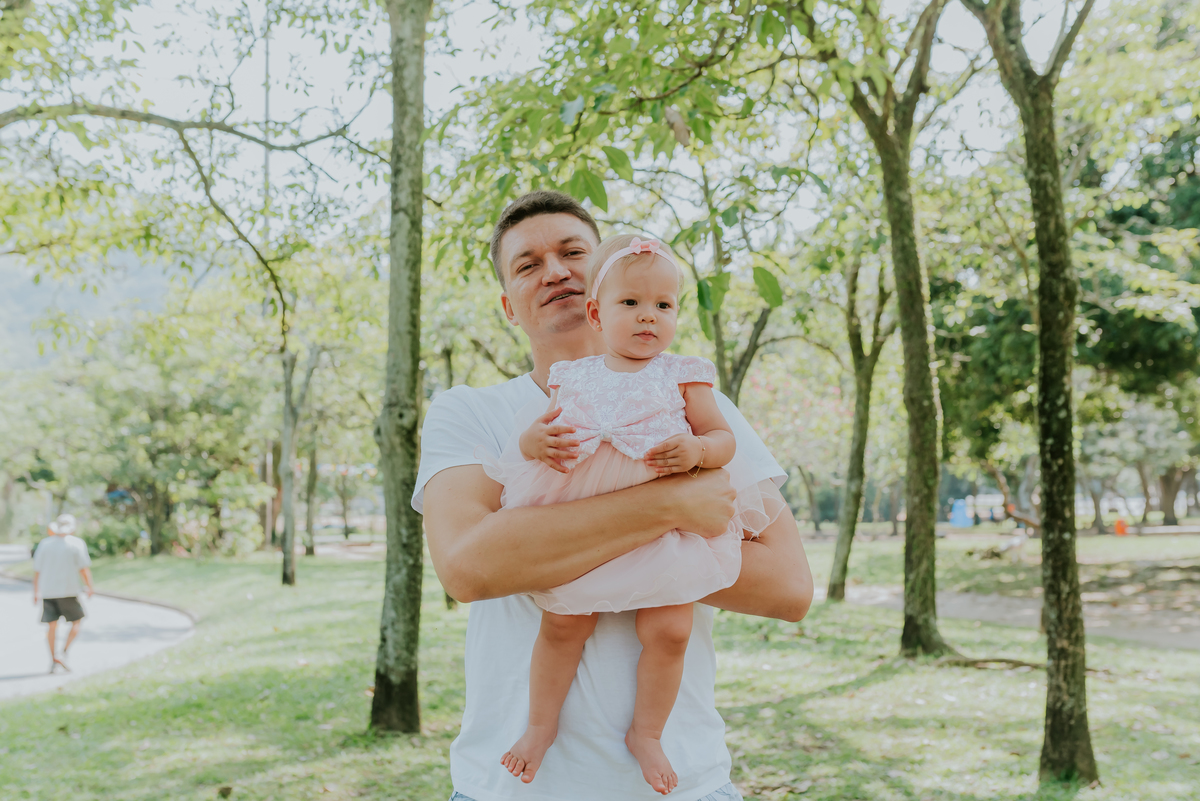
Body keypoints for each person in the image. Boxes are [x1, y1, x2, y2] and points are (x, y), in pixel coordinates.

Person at [417, 190, 813, 801]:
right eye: (528, 264)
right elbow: (469, 568)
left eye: (573, 252)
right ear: (507, 306)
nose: (555, 271)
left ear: (603, 273)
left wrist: (555, 544)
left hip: (684, 786)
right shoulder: (470, 412)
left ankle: (645, 732)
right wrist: (672, 509)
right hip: (510, 790)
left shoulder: (692, 399)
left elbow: (789, 585)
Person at [489, 234, 786, 794]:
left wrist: (699, 451)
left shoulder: (683, 374)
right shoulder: (573, 376)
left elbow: (723, 440)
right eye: (631, 304)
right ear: (598, 313)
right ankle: (539, 727)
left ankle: (646, 733)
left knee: (670, 628)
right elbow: (536, 433)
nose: (649, 317)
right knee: (564, 625)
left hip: (662, 523)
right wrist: (536, 442)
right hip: (586, 516)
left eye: (663, 306)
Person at [32, 513, 95, 673]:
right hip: (69, 591)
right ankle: (63, 652)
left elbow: (37, 571)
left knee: (51, 627)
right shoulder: (76, 544)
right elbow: (83, 568)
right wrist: (90, 587)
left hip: (48, 592)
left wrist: (35, 592)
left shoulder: (45, 544)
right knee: (77, 621)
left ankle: (54, 661)